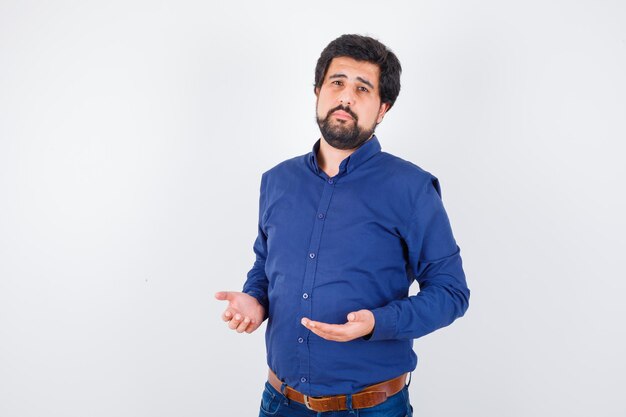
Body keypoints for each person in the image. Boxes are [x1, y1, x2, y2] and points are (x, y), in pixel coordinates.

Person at [215, 34, 470, 416]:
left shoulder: (412, 188)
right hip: (280, 402)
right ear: (318, 91)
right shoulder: (276, 181)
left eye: (362, 88)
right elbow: (266, 264)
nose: (346, 97)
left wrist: (376, 323)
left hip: (371, 407)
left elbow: (452, 293)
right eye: (337, 83)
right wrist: (256, 300)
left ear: (382, 108)